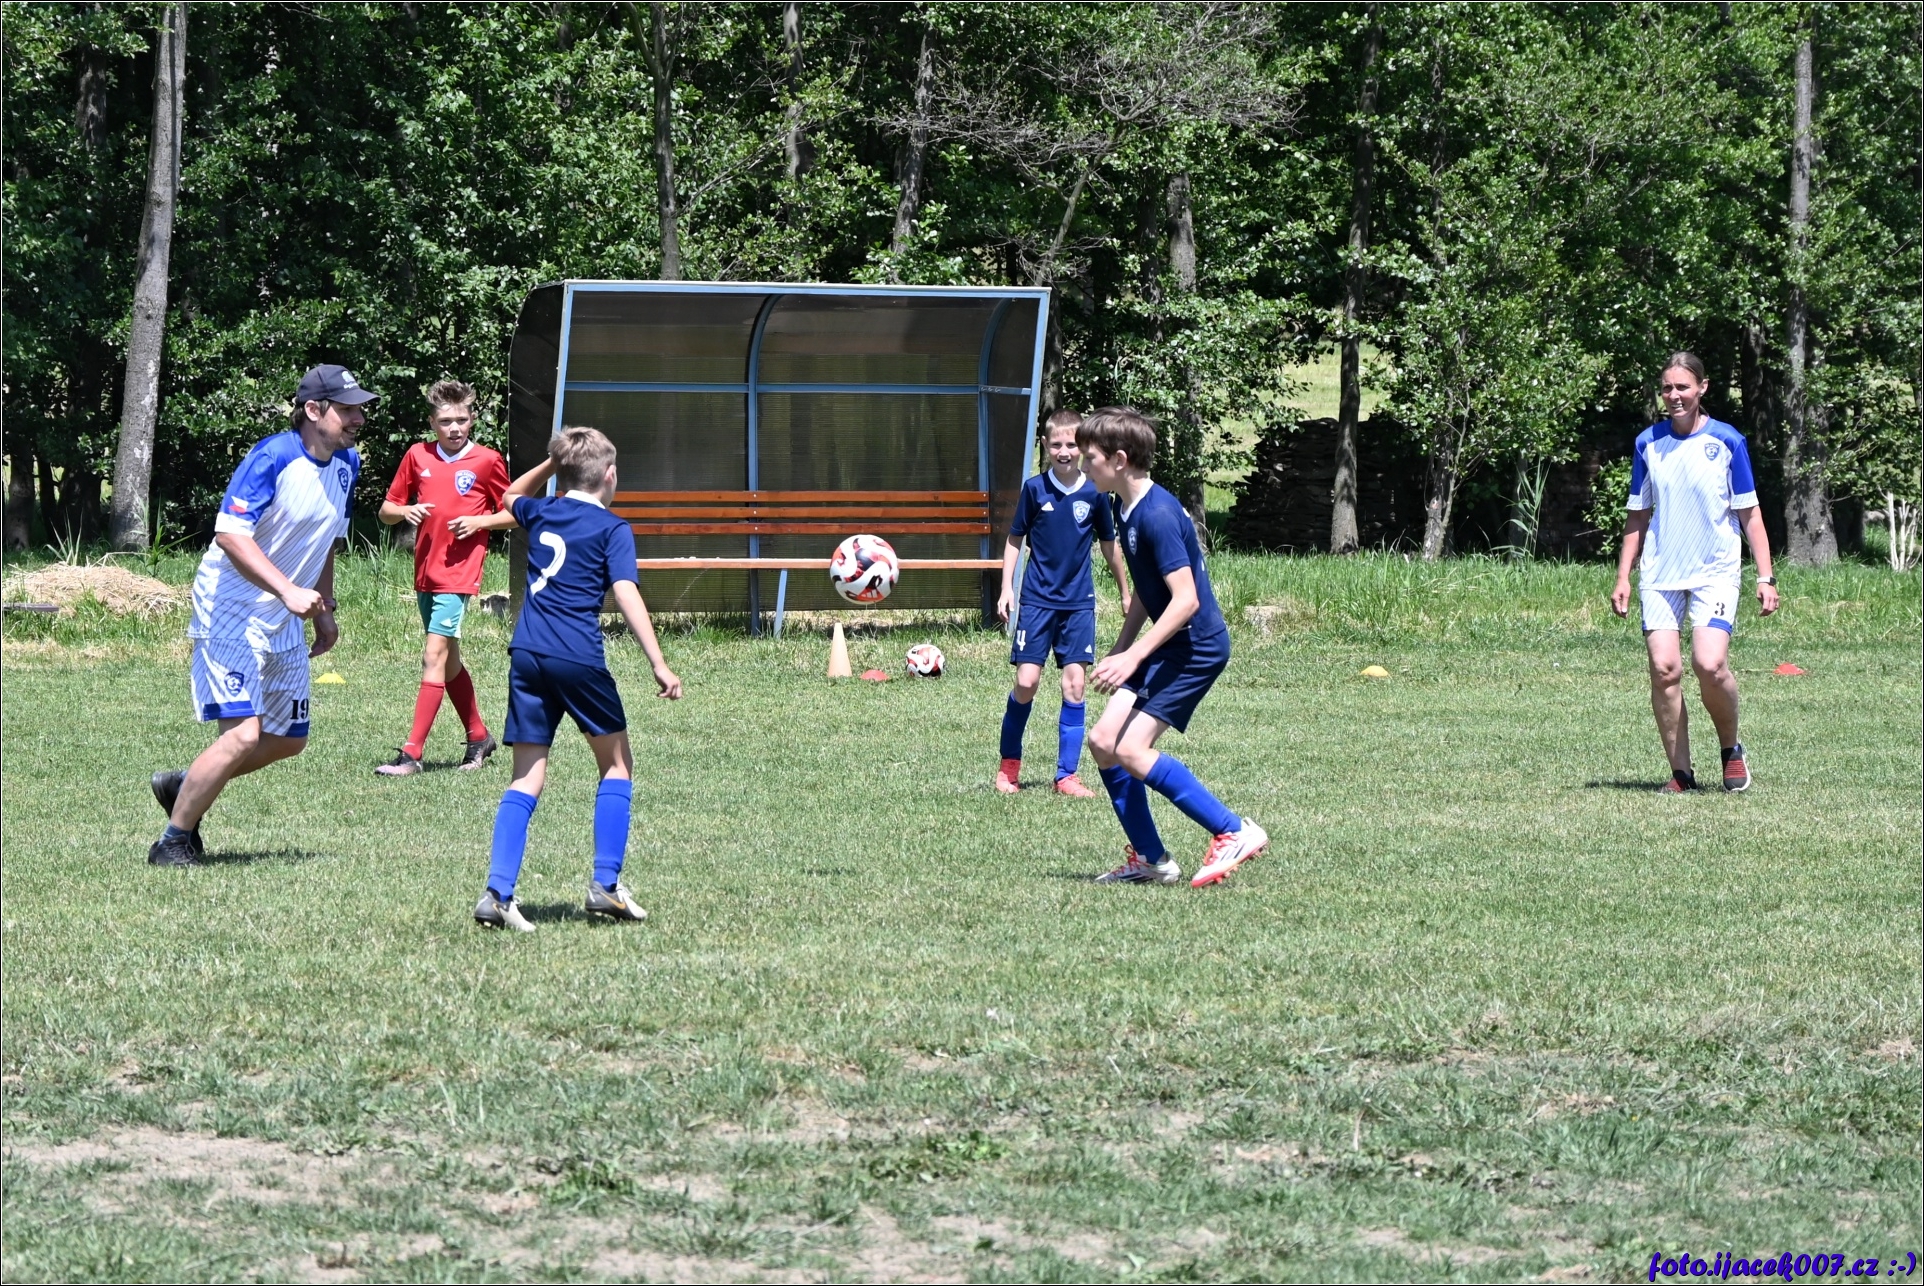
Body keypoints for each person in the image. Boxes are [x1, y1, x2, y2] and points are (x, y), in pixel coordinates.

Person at [448, 426, 682, 931]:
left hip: (527, 653)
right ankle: (606, 886)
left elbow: (510, 496)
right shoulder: (613, 528)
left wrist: (553, 462)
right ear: (610, 475)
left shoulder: (543, 511)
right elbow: (626, 593)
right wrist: (658, 662)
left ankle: (497, 893)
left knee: (526, 776)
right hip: (576, 656)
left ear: (563, 473)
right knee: (616, 765)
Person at [147, 364, 373, 867]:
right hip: (230, 609)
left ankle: (187, 785)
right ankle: (172, 842)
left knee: (288, 739)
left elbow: (326, 540)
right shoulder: (273, 457)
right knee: (243, 734)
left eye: (360, 409)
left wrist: (324, 607)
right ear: (313, 410)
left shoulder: (347, 462)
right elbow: (230, 535)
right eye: (347, 409)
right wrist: (289, 590)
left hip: (284, 614)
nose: (359, 418)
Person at [1077, 407, 1268, 887]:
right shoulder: (1124, 507)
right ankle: (1152, 860)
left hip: (1195, 648)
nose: (1083, 466)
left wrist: (1135, 655)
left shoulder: (1158, 515)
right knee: (1103, 742)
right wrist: (1121, 648)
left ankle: (1234, 830)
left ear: (1119, 460)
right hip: (1165, 645)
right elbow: (1148, 588)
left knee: (1132, 749)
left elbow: (1185, 601)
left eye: (1090, 457)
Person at [1611, 351, 1778, 792]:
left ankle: (1731, 749)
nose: (1674, 395)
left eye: (1683, 387)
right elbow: (1637, 515)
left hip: (1715, 572)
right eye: (1667, 388)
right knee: (1665, 669)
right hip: (1661, 573)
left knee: (1710, 663)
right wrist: (1624, 576)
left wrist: (1765, 576)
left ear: (1702, 388)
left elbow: (1750, 515)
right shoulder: (1648, 444)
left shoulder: (1727, 441)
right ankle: (1682, 774)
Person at [373, 379, 511, 776]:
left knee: (433, 655)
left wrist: (480, 521)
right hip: (426, 573)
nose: (455, 428)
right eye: (446, 421)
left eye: (462, 420)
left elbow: (515, 513)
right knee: (449, 663)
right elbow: (386, 511)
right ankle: (479, 736)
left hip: (459, 575)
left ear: (472, 420)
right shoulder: (417, 455)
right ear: (432, 423)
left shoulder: (487, 460)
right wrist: (406, 512)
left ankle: (411, 755)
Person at [994, 409, 1132, 796]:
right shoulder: (1034, 489)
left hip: (1077, 604)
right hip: (1037, 601)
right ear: (1045, 445)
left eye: (1072, 444)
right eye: (1056, 444)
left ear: (1083, 447)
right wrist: (1007, 588)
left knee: (1075, 686)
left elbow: (1110, 546)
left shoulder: (1095, 492)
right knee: (1027, 682)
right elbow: (1015, 540)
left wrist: (1125, 592)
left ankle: (1066, 776)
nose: (1064, 451)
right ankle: (1008, 767)